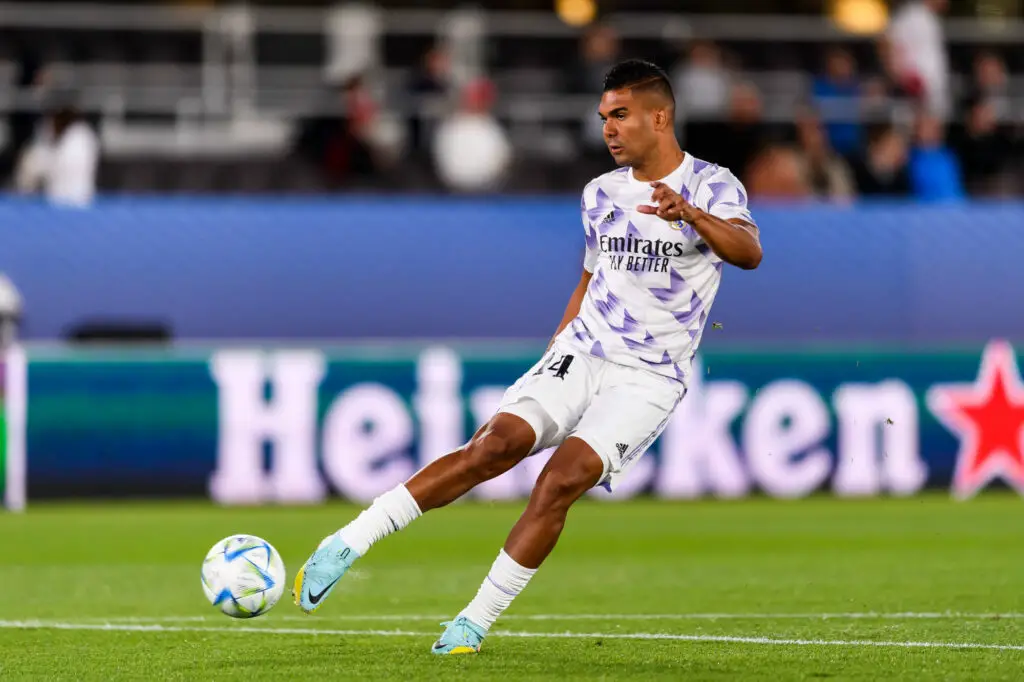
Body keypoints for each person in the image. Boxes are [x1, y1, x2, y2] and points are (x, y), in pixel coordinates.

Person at [292, 59, 763, 654]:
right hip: (582, 351)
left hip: (648, 377)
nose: (608, 128)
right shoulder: (600, 193)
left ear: (659, 117)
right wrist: (558, 344)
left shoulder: (713, 185)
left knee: (559, 481)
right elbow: (591, 276)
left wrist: (690, 213)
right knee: (494, 445)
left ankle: (472, 623)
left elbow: (749, 253)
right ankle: (347, 543)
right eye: (604, 117)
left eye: (620, 115)